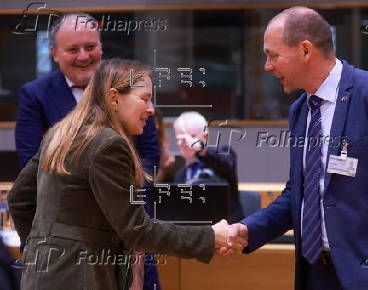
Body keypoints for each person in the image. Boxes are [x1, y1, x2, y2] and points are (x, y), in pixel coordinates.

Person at [222, 6, 368, 290]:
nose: (267, 67)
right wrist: (248, 229)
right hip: (315, 275)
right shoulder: (300, 110)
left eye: (273, 55)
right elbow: (299, 193)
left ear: (305, 50)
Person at [7, 58, 244, 290]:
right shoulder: (108, 144)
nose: (151, 110)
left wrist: (41, 250)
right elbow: (136, 230)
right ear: (113, 98)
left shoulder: (59, 135)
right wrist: (210, 237)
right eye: (145, 99)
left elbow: (19, 199)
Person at [14, 13, 161, 289]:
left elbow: (149, 156)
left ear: (101, 47)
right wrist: (38, 249)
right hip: (70, 251)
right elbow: (31, 170)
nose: (83, 56)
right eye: (72, 49)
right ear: (54, 54)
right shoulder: (35, 95)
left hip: (131, 225)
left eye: (90, 47)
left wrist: (122, 198)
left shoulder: (132, 88)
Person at [173, 111, 243, 223]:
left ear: (205, 137)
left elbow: (227, 164)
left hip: (227, 229)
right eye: (179, 139)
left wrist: (200, 148)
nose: (185, 142)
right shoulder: (180, 175)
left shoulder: (224, 155)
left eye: (192, 136)